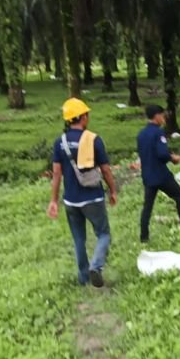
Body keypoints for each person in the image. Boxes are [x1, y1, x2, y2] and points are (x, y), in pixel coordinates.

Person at [47, 98, 118, 288]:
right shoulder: (93, 139)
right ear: (83, 117)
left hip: (71, 201)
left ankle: (84, 277)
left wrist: (54, 200)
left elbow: (56, 173)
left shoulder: (59, 142)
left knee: (79, 238)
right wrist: (113, 190)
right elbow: (105, 170)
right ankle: (96, 266)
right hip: (93, 197)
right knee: (103, 234)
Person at [137, 104, 180, 243]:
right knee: (179, 197)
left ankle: (144, 237)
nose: (164, 118)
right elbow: (162, 154)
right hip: (161, 175)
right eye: (163, 115)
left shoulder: (141, 134)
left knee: (147, 206)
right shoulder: (158, 133)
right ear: (157, 116)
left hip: (147, 175)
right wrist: (173, 158)